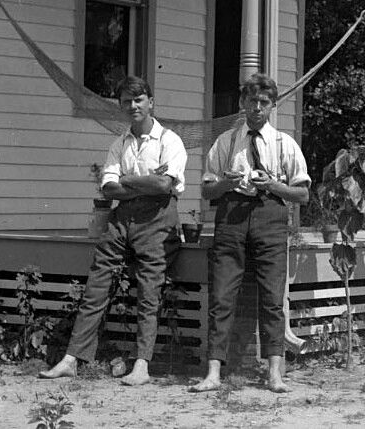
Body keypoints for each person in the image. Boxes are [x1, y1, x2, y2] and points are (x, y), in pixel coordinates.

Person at [39, 76, 187, 385]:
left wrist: (128, 180)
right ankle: (71, 359)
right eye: (126, 101)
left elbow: (164, 185)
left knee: (149, 288)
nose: (132, 106)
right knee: (97, 281)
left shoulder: (169, 141)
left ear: (150, 102)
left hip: (158, 221)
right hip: (122, 220)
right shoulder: (120, 143)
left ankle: (142, 365)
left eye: (138, 99)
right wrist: (142, 182)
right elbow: (108, 188)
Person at [189, 73, 310, 394]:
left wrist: (273, 185)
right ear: (242, 103)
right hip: (231, 217)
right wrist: (227, 183)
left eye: (264, 102)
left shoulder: (284, 144)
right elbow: (206, 190)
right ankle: (213, 372)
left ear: (272, 106)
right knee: (222, 294)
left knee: (272, 297)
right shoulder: (227, 142)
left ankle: (274, 372)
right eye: (251, 101)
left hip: (270, 217)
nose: (257, 108)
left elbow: (302, 194)